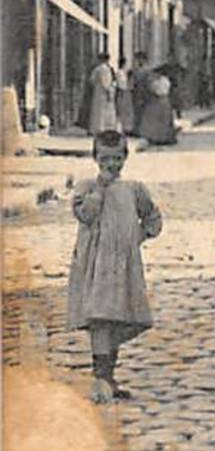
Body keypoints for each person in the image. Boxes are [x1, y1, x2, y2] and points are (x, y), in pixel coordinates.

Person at [67, 129, 163, 403]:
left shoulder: (134, 189)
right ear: (95, 158)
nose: (112, 164)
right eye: (106, 158)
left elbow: (153, 219)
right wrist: (100, 188)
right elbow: (84, 215)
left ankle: (107, 374)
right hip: (95, 267)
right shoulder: (86, 188)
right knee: (100, 320)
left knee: (121, 318)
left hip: (124, 267)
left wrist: (137, 238)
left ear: (125, 157)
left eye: (118, 158)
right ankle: (103, 378)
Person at [80, 53, 118, 136]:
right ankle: (101, 129)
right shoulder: (105, 69)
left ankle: (96, 128)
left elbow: (92, 80)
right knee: (102, 111)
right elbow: (106, 82)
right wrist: (109, 91)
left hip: (97, 91)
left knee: (97, 111)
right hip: (103, 92)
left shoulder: (97, 69)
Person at [137, 71, 178, 146]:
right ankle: (164, 138)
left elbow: (155, 90)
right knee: (165, 120)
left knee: (157, 120)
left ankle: (158, 138)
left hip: (159, 101)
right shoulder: (165, 80)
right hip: (165, 101)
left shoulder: (158, 81)